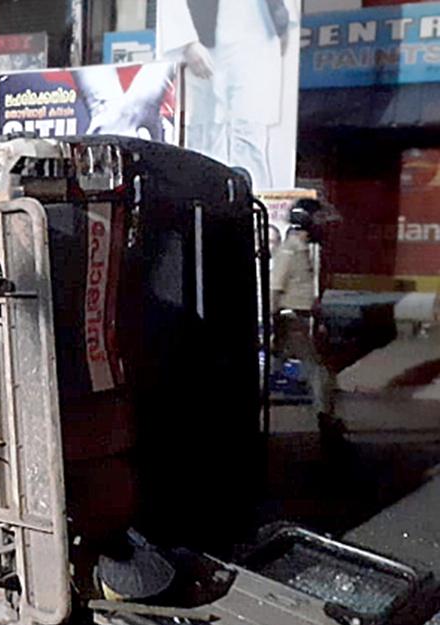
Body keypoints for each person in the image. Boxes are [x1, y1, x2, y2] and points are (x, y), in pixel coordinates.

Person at [160, 0, 292, 190]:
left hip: (257, 30)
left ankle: (253, 198)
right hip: (206, 35)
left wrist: (282, 23)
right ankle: (209, 197)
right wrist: (186, 42)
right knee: (206, 130)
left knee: (251, 127)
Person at [271, 199, 340, 436]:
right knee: (317, 371)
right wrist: (272, 323)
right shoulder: (290, 251)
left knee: (276, 366)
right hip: (291, 320)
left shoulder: (303, 249)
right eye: (317, 220)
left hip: (298, 319)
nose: (321, 225)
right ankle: (325, 418)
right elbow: (275, 288)